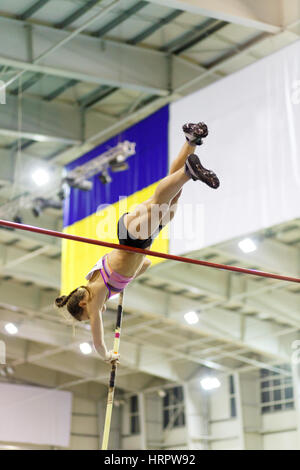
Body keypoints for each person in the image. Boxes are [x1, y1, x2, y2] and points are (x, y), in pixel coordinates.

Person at [55, 122, 220, 363]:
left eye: (88, 316)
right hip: (137, 238)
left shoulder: (96, 296)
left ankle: (188, 172)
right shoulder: (101, 285)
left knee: (160, 202)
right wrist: (125, 282)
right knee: (169, 201)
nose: (96, 315)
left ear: (83, 304)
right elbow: (146, 265)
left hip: (132, 239)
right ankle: (191, 140)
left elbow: (98, 341)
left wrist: (108, 356)